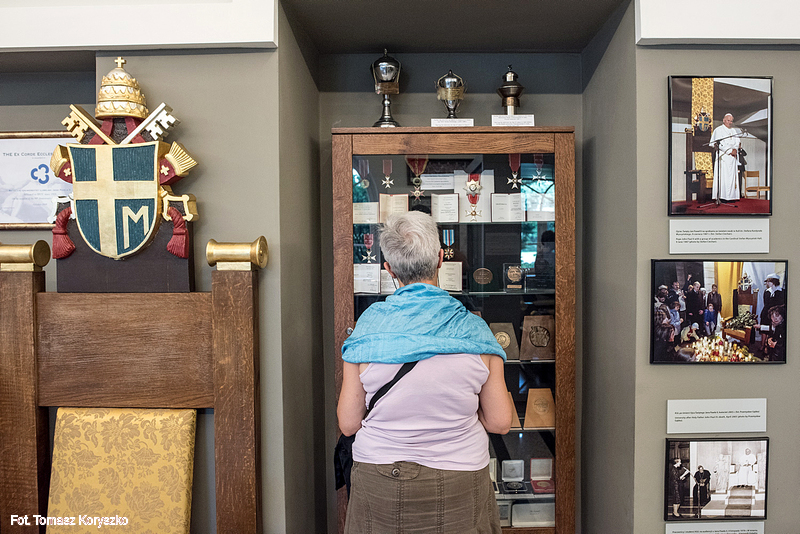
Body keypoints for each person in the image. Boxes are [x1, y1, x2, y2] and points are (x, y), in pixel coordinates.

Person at [337, 211, 513, 534]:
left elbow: (348, 422)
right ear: (441, 259)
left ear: (388, 269)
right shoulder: (476, 331)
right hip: (461, 479)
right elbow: (501, 421)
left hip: (380, 480)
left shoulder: (366, 331)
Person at [709, 113, 742, 202]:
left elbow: (737, 142)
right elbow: (717, 144)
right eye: (728, 120)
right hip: (723, 157)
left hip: (732, 158)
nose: (730, 122)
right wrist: (730, 151)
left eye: (731, 121)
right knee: (723, 177)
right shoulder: (718, 130)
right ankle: (722, 197)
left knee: (732, 178)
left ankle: (731, 197)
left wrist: (735, 149)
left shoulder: (734, 131)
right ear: (724, 120)